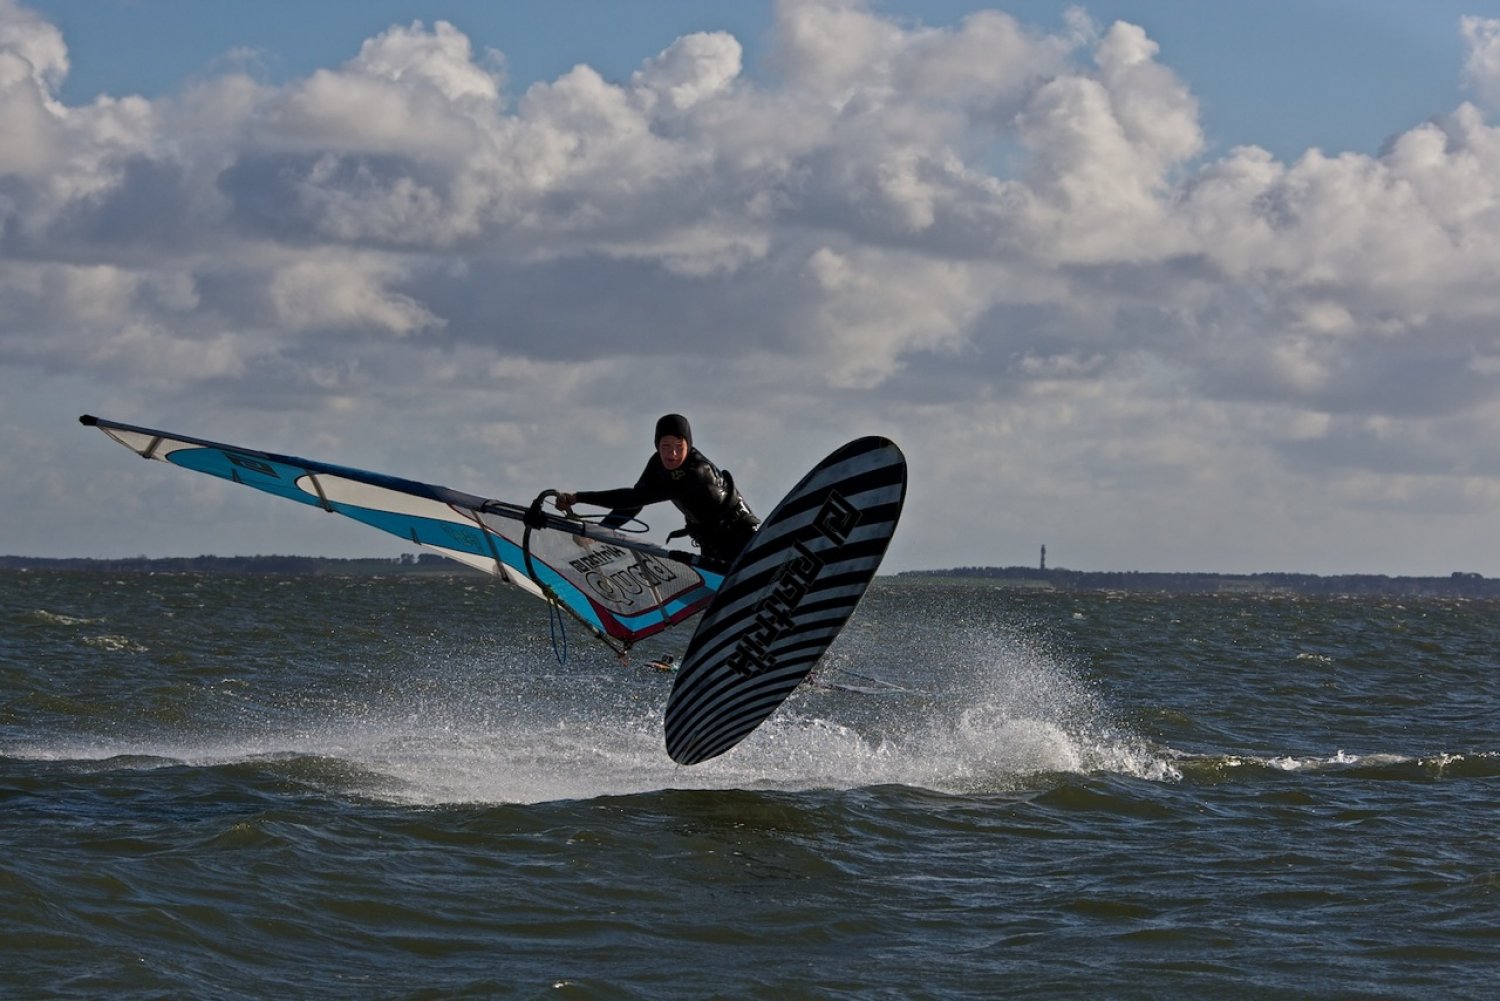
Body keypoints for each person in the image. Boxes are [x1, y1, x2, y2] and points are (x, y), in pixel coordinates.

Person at [556, 414, 758, 568]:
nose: (672, 454)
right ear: (657, 445)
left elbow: (634, 497)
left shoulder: (697, 472)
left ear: (689, 445)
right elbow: (634, 504)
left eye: (679, 447)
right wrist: (601, 531)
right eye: (666, 446)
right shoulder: (657, 465)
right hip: (712, 542)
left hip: (743, 538)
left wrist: (578, 497)